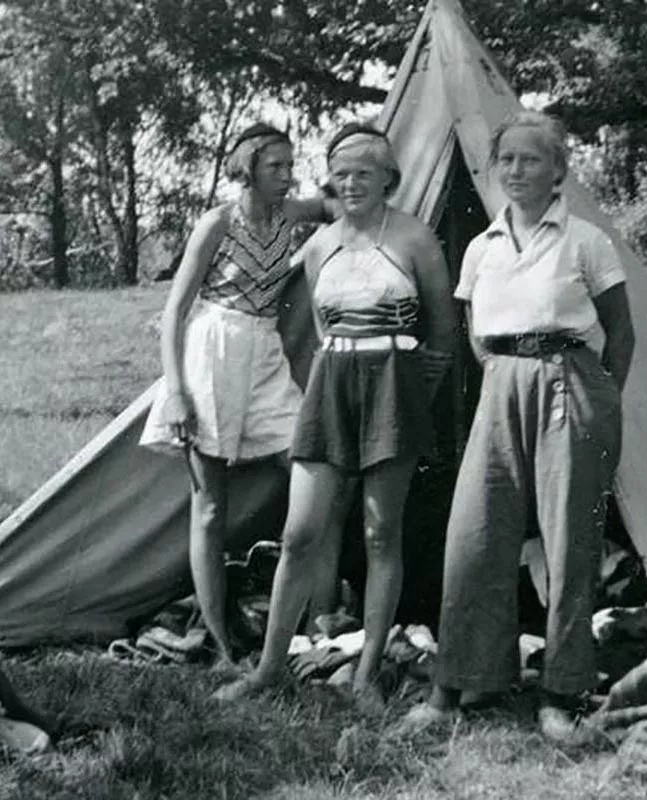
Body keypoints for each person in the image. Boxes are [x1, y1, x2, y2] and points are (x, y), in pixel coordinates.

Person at [400, 110, 635, 744]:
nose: (516, 170)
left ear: (559, 170)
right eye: (507, 160)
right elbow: (476, 336)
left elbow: (621, 332)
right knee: (475, 534)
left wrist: (598, 399)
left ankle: (561, 692)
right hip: (503, 381)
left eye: (532, 159)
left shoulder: (585, 240)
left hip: (573, 382)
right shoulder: (482, 247)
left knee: (567, 542)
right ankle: (458, 684)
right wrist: (509, 376)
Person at [213, 122, 457, 714]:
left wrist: (404, 386)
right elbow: (324, 330)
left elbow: (444, 335)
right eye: (341, 174)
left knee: (379, 532)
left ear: (388, 179)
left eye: (364, 174)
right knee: (300, 532)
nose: (351, 184)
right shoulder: (319, 244)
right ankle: (270, 668)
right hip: (331, 386)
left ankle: (367, 672)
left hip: (393, 388)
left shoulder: (415, 238)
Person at [140, 122, 351, 669]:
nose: (286, 175)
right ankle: (221, 643)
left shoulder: (287, 212)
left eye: (289, 165)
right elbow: (175, 311)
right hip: (211, 349)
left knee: (311, 469)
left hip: (264, 351)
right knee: (210, 507)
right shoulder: (217, 222)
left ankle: (317, 626)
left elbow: (335, 205)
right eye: (275, 166)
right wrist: (177, 392)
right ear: (248, 168)